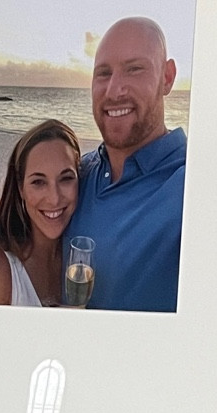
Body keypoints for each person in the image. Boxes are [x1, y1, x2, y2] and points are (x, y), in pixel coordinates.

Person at [65, 17, 186, 313]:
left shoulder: (192, 184)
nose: (114, 90)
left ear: (167, 77)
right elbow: (4, 212)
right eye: (103, 74)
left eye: (134, 69)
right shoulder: (79, 174)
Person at [0, 120, 81, 306]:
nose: (54, 199)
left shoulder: (81, 258)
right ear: (20, 188)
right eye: (38, 182)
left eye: (66, 179)